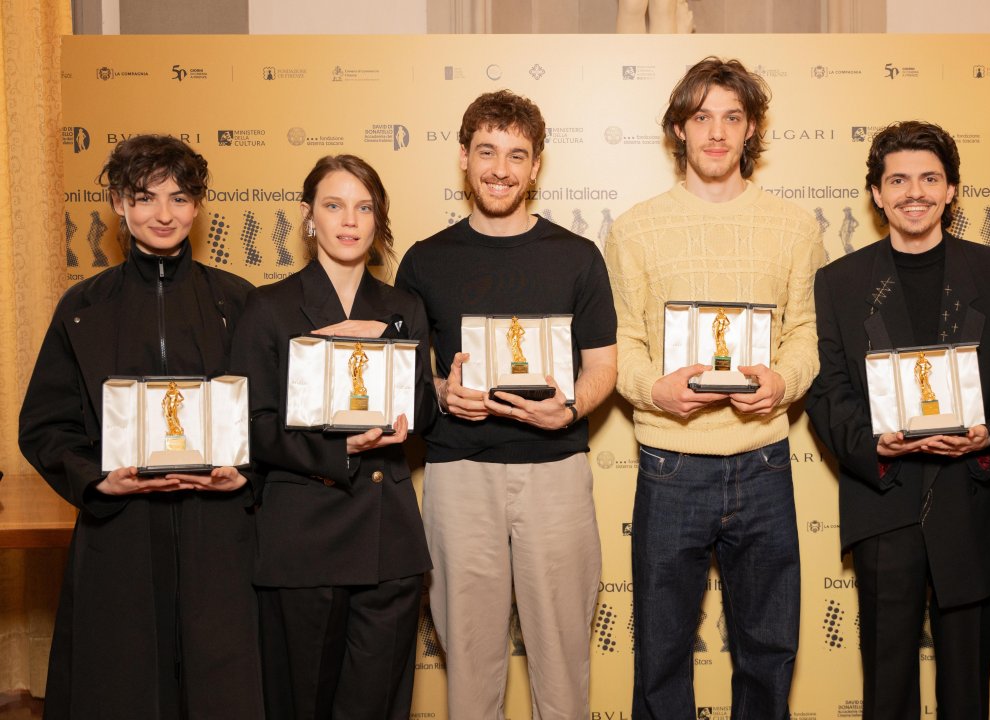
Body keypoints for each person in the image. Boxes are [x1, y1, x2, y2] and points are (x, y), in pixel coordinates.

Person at [603, 57, 824, 718]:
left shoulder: (794, 225)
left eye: (732, 116)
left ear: (751, 127)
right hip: (671, 464)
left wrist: (783, 380)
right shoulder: (636, 227)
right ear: (678, 129)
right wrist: (653, 389)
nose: (717, 132)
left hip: (763, 460)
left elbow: (808, 332)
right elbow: (622, 341)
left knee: (767, 650)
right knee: (662, 650)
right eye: (701, 117)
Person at [805, 121, 990, 720]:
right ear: (877, 194)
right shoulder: (839, 282)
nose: (916, 192)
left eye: (930, 178)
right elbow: (827, 389)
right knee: (887, 693)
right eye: (899, 180)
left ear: (952, 190)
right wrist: (873, 444)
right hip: (884, 501)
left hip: (972, 499)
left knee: (968, 693)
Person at [18, 134, 264, 718]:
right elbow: (45, 424)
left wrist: (245, 474)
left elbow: (268, 417)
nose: (163, 214)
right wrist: (97, 482)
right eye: (145, 197)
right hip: (119, 535)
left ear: (198, 207)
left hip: (218, 536)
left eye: (179, 198)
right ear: (118, 204)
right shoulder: (83, 306)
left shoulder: (240, 301)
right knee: (119, 691)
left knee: (221, 690)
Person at [395, 90, 617, 719]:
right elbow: (410, 379)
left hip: (556, 474)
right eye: (487, 151)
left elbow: (602, 368)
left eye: (517, 155)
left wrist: (570, 410)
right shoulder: (424, 260)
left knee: (565, 660)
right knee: (468, 663)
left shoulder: (577, 256)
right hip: (458, 476)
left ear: (536, 165)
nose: (501, 168)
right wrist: (442, 392)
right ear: (463, 157)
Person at [229, 155, 433, 719]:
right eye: (334, 205)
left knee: (377, 708)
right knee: (302, 705)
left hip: (387, 541)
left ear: (378, 219)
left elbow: (418, 420)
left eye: (364, 207)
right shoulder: (268, 308)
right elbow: (250, 425)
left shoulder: (402, 308)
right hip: (303, 542)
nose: (350, 220)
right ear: (308, 216)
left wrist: (437, 391)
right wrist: (337, 448)